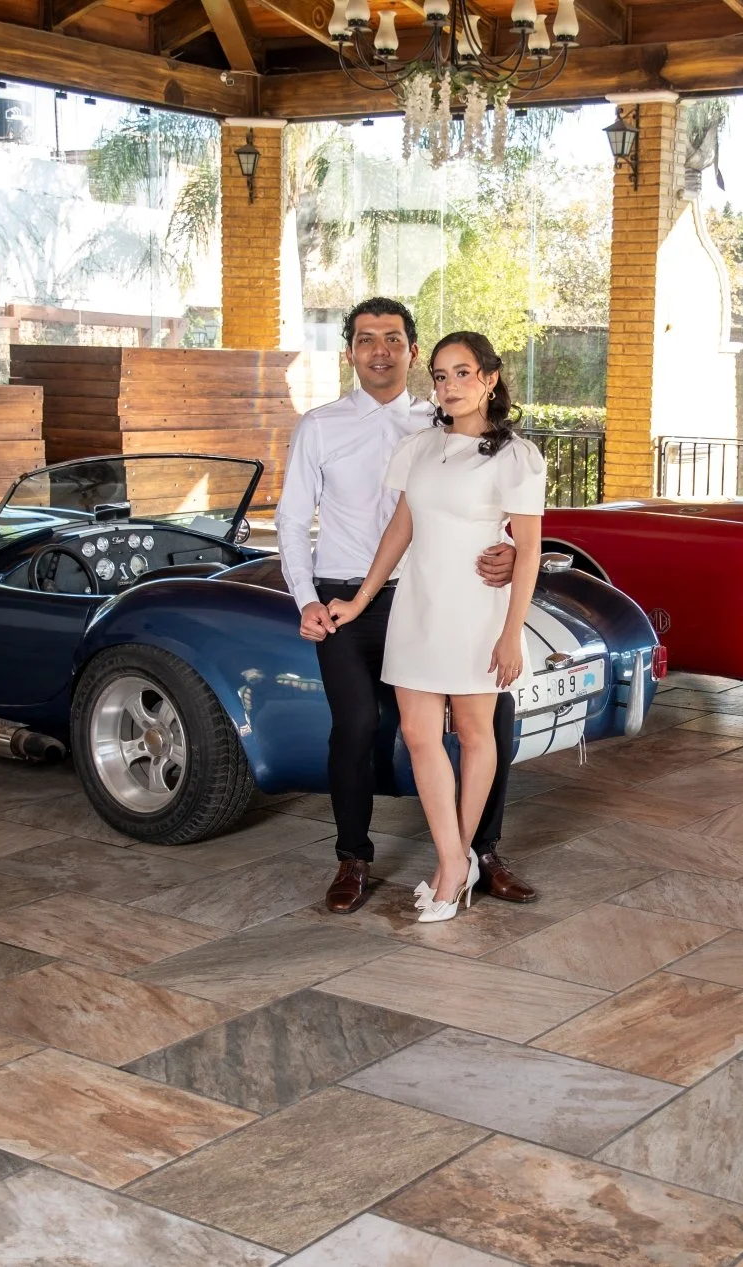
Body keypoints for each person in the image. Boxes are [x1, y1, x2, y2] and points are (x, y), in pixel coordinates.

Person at [278, 299, 538, 914]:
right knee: (360, 725)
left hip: (445, 593)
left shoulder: (453, 424)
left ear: (411, 352)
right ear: (350, 351)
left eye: (393, 338)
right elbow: (294, 520)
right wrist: (311, 598)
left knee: (489, 723)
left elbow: (508, 525)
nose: (380, 350)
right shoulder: (324, 426)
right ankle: (354, 856)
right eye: (366, 339)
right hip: (354, 592)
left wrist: (506, 555)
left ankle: (478, 854)